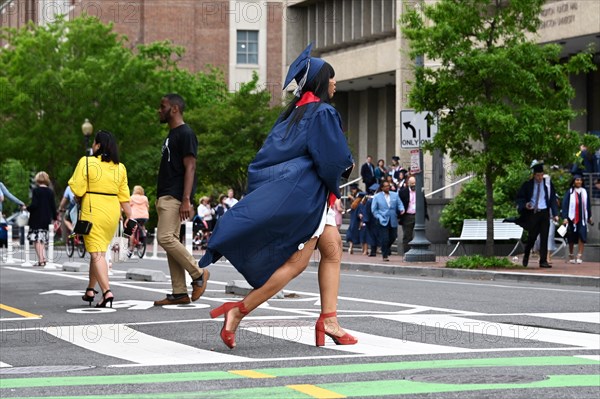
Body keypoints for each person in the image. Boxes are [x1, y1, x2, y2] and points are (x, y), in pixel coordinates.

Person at [199, 43, 356, 349]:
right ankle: (239, 310)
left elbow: (267, 159)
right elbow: (333, 157)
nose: (336, 83)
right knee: (297, 263)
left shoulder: (291, 115)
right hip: (310, 197)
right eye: (332, 78)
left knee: (333, 248)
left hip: (304, 194)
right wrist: (344, 169)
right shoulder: (323, 112)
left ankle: (330, 320)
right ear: (321, 83)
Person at [154, 93, 210, 306]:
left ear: (174, 109)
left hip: (176, 195)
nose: (159, 110)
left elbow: (191, 167)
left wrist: (187, 199)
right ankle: (179, 292)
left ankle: (198, 274)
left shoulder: (185, 133)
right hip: (166, 195)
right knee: (171, 242)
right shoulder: (172, 134)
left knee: (165, 238)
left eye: (163, 106)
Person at [68, 131, 132, 307]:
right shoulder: (120, 167)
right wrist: (130, 217)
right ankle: (90, 289)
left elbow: (77, 189)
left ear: (97, 145)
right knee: (99, 253)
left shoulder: (86, 162)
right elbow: (125, 196)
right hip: (112, 212)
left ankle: (106, 292)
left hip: (92, 210)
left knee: (96, 254)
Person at [515, 163, 559, 268]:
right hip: (533, 213)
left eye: (541, 175)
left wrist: (555, 213)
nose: (540, 178)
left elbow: (552, 198)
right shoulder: (528, 185)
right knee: (532, 236)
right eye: (538, 175)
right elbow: (520, 198)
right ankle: (526, 254)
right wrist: (525, 205)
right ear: (534, 175)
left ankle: (543, 261)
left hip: (544, 212)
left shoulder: (547, 185)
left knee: (545, 237)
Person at [27, 172, 57, 267]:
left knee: (36, 240)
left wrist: (27, 208)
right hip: (46, 218)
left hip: (36, 218)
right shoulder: (50, 192)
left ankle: (41, 259)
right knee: (42, 239)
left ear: (37, 179)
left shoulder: (36, 191)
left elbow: (34, 205)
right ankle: (43, 258)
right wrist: (55, 218)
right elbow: (53, 206)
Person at [561, 174, 593, 264]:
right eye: (577, 180)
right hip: (572, 218)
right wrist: (565, 217)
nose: (578, 181)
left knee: (582, 235)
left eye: (580, 180)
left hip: (582, 217)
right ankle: (571, 254)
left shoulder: (584, 192)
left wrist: (589, 216)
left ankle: (579, 255)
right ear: (574, 181)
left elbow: (588, 205)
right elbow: (565, 205)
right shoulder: (570, 192)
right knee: (571, 236)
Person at [371, 180, 405, 261]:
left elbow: (399, 203)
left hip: (393, 219)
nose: (387, 187)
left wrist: (402, 209)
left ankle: (385, 247)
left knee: (393, 236)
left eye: (388, 186)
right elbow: (374, 210)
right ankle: (385, 255)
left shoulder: (395, 195)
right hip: (382, 219)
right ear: (382, 187)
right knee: (384, 238)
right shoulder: (377, 197)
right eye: (385, 186)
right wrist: (378, 217)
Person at [533, 174, 557, 264]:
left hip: (549, 215)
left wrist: (555, 214)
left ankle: (548, 255)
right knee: (538, 237)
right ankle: (540, 255)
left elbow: (553, 201)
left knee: (550, 235)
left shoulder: (550, 189)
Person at [128, 185, 149, 257]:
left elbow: (128, 207)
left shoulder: (132, 198)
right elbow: (147, 206)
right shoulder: (145, 198)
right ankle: (144, 235)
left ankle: (131, 249)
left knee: (132, 232)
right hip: (144, 216)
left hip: (134, 216)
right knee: (142, 225)